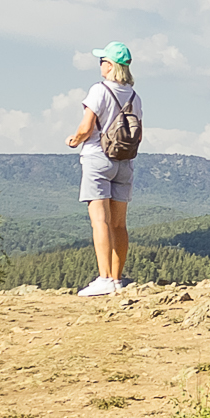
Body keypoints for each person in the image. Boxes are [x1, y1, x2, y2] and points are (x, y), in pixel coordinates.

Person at [65, 42, 142, 296]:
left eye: (102, 61)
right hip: (124, 162)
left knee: (100, 221)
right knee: (119, 225)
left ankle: (104, 278)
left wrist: (74, 140)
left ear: (110, 66)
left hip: (98, 159)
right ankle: (117, 279)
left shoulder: (99, 90)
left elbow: (87, 127)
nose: (100, 65)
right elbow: (139, 134)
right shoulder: (134, 97)